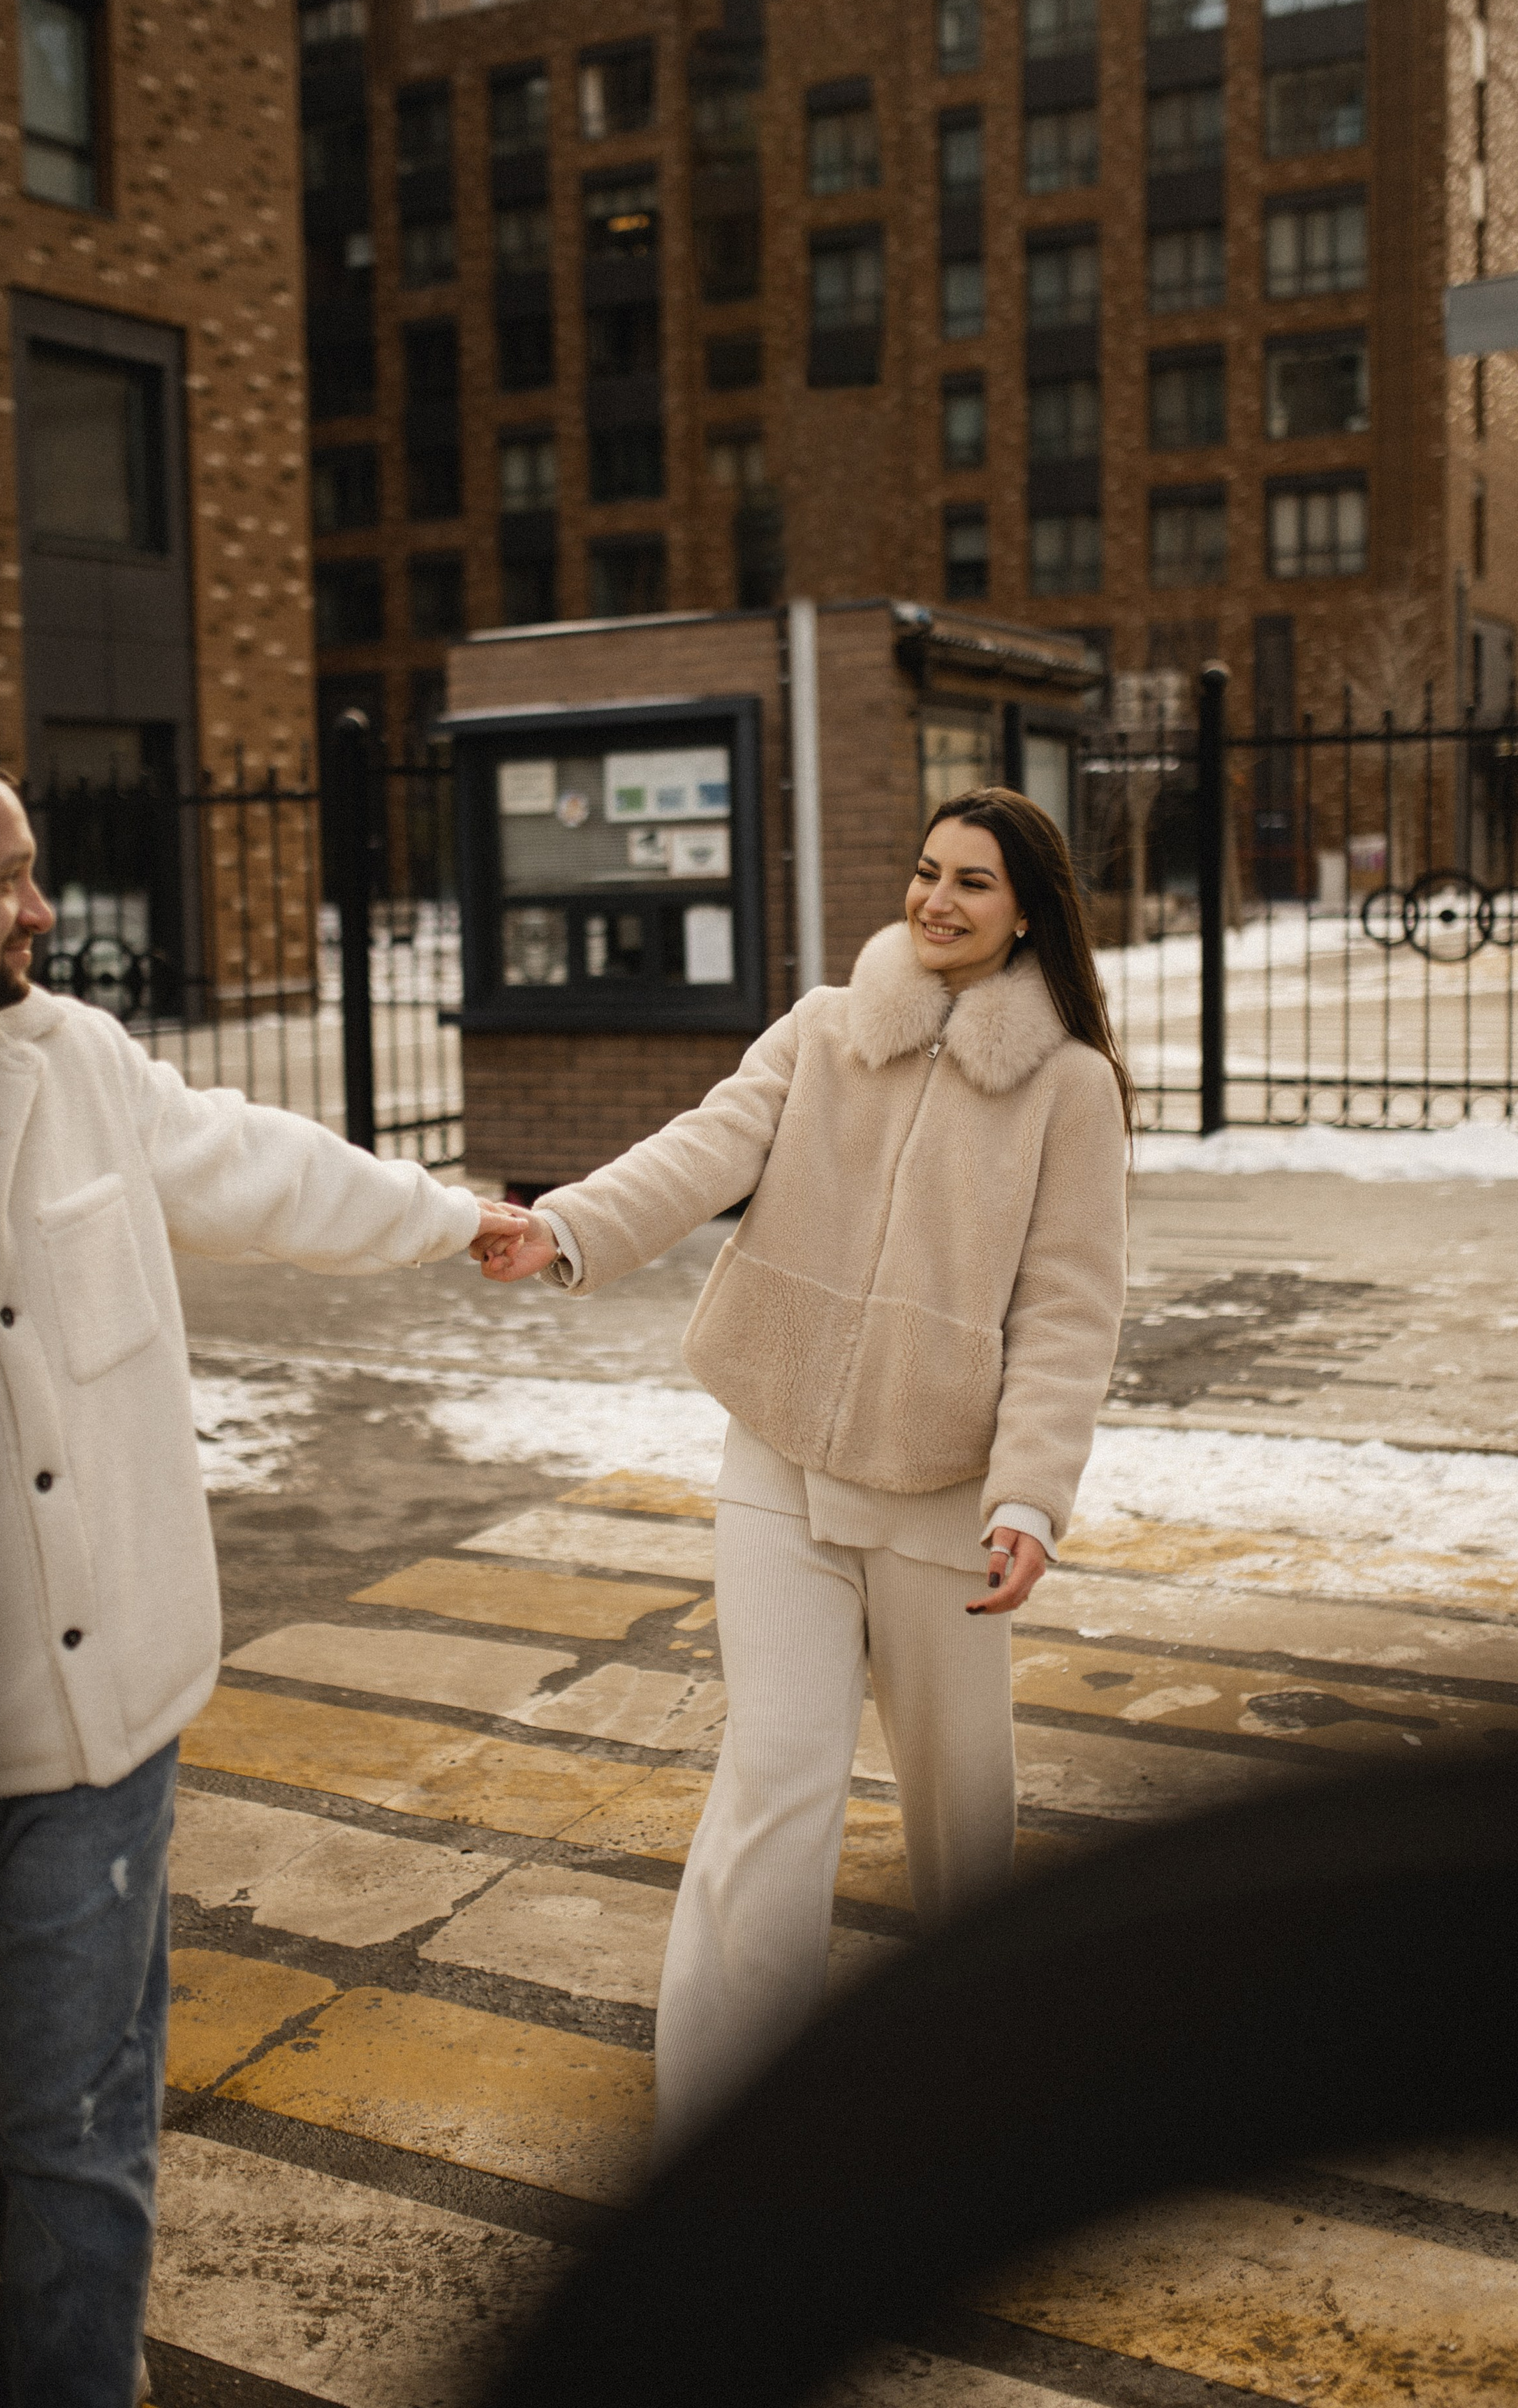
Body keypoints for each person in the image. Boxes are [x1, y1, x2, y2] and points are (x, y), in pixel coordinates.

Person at [0, 740, 525, 2406]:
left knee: (80, 2139)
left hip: (103, 1737)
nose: (45, 908)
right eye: (6, 879)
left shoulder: (68, 1055)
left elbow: (249, 1159)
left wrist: (450, 1218)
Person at [476, 788, 1131, 2157]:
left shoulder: (1068, 1086)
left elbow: (1069, 1310)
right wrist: (566, 1227)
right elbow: (702, 1147)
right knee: (777, 1774)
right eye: (922, 870)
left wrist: (1028, 1498)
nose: (934, 900)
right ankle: (721, 2114)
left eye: (970, 882)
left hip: (942, 1493)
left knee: (958, 1802)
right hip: (775, 1455)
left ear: (1027, 912)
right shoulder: (826, 1030)